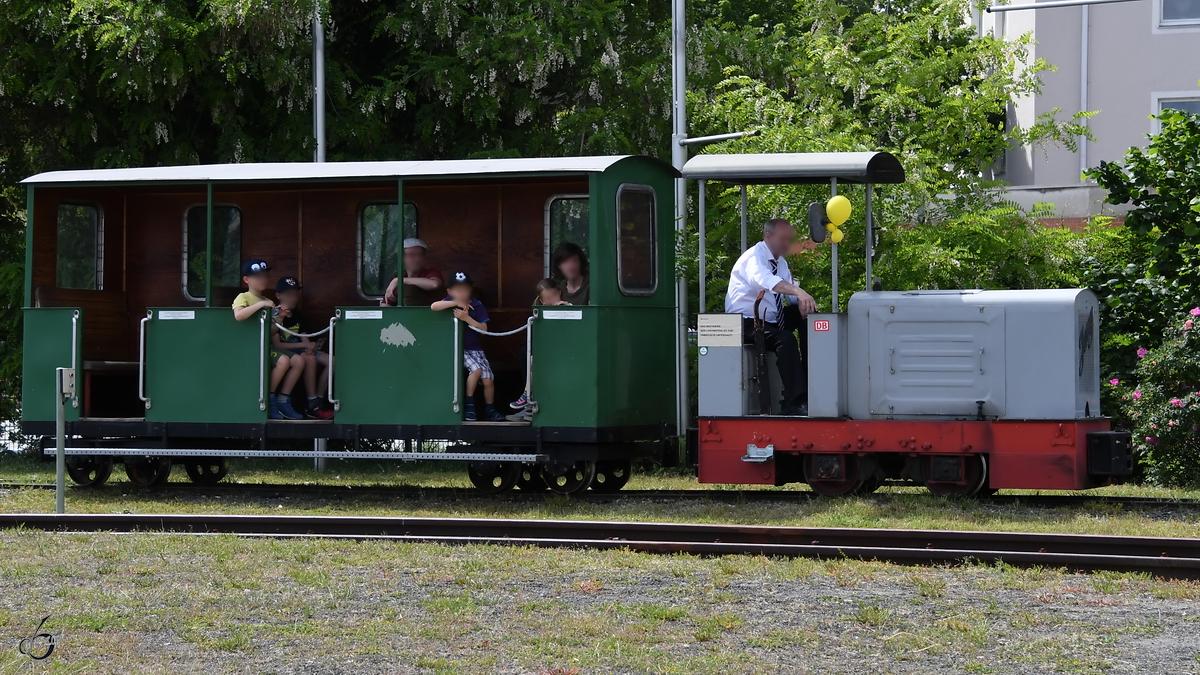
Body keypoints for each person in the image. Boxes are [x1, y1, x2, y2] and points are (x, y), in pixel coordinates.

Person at [725, 219, 818, 416]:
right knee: (785, 339)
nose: (787, 244)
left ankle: (812, 386)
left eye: (789, 239)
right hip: (746, 323)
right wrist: (798, 291)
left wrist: (803, 301)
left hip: (771, 320)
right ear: (768, 237)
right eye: (783, 239)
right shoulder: (753, 258)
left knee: (808, 317)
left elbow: (790, 294)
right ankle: (795, 401)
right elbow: (767, 281)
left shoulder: (780, 263)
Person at [231, 259, 305, 420]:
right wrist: (261, 305)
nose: (262, 280)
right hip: (252, 347)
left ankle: (283, 400)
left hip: (266, 345)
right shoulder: (243, 297)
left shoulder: (266, 300)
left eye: (265, 276)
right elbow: (238, 315)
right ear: (246, 280)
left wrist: (280, 319)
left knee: (299, 361)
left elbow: (271, 332)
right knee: (283, 360)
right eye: (257, 277)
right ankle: (268, 399)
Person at [431, 271, 504, 421]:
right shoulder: (448, 302)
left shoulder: (476, 305)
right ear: (449, 291)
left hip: (476, 349)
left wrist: (466, 318)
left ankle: (490, 409)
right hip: (459, 349)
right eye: (457, 290)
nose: (461, 293)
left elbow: (484, 329)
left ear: (471, 290)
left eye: (465, 289)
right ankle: (469, 406)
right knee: (476, 369)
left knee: (488, 380)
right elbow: (434, 306)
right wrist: (455, 303)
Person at [506, 278, 571, 422]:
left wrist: (562, 310)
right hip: (549, 352)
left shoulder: (569, 308)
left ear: (559, 292)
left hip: (566, 352)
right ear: (542, 302)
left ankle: (527, 398)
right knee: (529, 357)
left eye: (553, 296)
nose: (552, 300)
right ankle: (528, 403)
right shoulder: (539, 315)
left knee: (533, 359)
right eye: (547, 298)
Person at [273, 276, 334, 420]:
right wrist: (304, 346)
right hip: (285, 352)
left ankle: (319, 399)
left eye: (295, 294)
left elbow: (304, 337)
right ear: (278, 296)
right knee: (310, 359)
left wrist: (310, 347)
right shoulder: (275, 315)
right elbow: (277, 345)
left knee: (332, 361)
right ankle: (312, 405)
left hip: (299, 350)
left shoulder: (298, 315)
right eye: (288, 295)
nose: (293, 298)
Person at [381, 238, 445, 307]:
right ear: (402, 257)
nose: (417, 259)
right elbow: (385, 306)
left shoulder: (431, 273)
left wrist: (399, 280)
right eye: (412, 255)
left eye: (421, 255)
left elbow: (434, 284)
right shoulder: (397, 279)